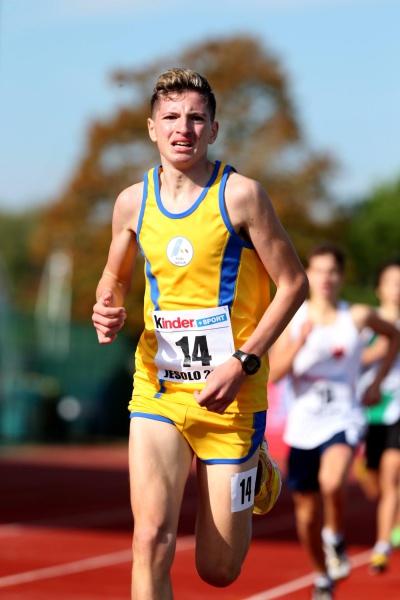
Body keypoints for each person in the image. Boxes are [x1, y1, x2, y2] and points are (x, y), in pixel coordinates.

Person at [91, 67, 309, 599]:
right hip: (159, 389)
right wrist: (106, 307)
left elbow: (294, 284)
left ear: (213, 129)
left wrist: (243, 361)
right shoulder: (132, 202)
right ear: (152, 128)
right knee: (150, 539)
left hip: (232, 398)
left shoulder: (242, 196)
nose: (182, 128)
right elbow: (114, 277)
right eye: (171, 117)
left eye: (195, 118)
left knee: (218, 570)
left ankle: (255, 464)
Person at [268, 242, 400, 600]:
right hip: (303, 426)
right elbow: (275, 373)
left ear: (341, 276)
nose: (326, 278)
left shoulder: (356, 316)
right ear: (308, 274)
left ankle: (335, 536)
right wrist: (300, 342)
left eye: (333, 271)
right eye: (319, 270)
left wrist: (375, 383)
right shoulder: (293, 318)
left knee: (332, 481)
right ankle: (321, 575)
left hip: (344, 417)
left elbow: (394, 336)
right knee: (306, 515)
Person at [356, 258, 400, 573]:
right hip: (370, 410)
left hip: (399, 408)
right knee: (374, 482)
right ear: (379, 288)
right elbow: (348, 359)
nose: (398, 289)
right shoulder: (367, 322)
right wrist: (378, 352)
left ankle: (382, 545)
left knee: (391, 473)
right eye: (392, 283)